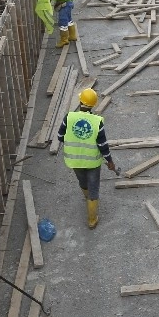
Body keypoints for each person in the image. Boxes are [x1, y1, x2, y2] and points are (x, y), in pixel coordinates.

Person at [58, 88, 117, 229]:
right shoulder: (97, 122)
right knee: (94, 188)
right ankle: (92, 220)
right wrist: (110, 161)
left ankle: (86, 196)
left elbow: (60, 137)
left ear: (80, 102)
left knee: (82, 181)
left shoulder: (69, 118)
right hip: (92, 162)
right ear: (93, 105)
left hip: (74, 160)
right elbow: (102, 145)